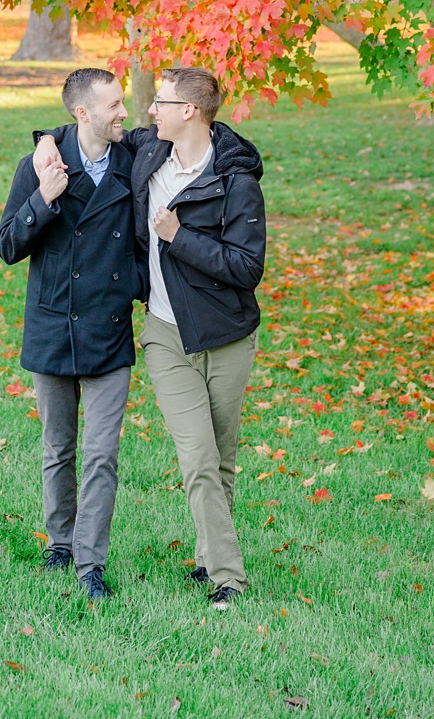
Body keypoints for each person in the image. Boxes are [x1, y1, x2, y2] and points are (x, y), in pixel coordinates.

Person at [34, 63, 266, 607]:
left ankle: (210, 554)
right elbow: (89, 126)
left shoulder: (236, 180)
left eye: (160, 102)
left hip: (227, 334)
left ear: (189, 111)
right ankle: (228, 579)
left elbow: (246, 268)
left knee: (221, 458)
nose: (148, 111)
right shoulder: (149, 155)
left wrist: (178, 236)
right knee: (198, 458)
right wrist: (45, 139)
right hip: (165, 334)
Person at [0, 67, 139, 602]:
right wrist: (44, 198)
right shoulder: (40, 168)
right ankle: (59, 542)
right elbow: (8, 245)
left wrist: (135, 284)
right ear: (82, 113)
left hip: (108, 330)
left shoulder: (133, 158)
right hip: (53, 326)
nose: (124, 113)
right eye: (114, 106)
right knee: (59, 446)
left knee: (102, 454)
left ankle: (90, 564)